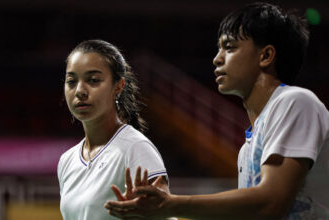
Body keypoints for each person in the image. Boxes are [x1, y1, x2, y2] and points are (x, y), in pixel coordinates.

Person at [105, 2, 329, 219]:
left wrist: (170, 204)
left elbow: (271, 204)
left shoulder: (296, 101)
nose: (216, 58)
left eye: (229, 47)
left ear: (266, 56)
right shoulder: (248, 146)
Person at [57, 39, 170, 220]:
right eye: (71, 81)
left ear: (118, 87)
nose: (80, 91)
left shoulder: (136, 148)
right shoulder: (66, 161)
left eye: (93, 80)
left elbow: (164, 212)